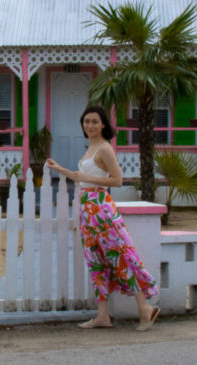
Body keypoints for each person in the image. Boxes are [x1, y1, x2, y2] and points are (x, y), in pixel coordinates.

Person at [47, 105, 161, 331]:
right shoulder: (91, 147)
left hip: (101, 208)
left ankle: (144, 308)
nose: (90, 125)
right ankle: (102, 316)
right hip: (87, 209)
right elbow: (83, 178)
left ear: (103, 125)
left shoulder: (105, 148)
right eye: (86, 121)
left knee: (119, 256)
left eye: (94, 122)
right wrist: (60, 169)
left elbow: (117, 180)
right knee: (95, 259)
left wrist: (85, 177)